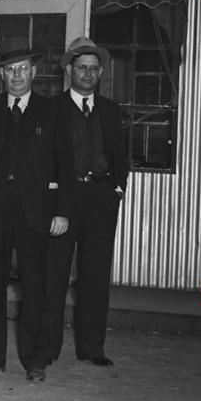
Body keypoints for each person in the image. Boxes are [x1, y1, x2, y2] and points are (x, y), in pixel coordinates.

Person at [0, 46, 73, 382]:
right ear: (1, 74)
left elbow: (66, 164)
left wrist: (62, 212)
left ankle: (35, 361)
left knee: (35, 287)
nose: (16, 76)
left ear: (34, 72)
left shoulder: (53, 111)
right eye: (9, 70)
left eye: (22, 69)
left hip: (37, 213)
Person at [55, 36, 129, 367]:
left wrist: (117, 187)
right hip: (64, 200)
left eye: (93, 69)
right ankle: (48, 348)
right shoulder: (53, 109)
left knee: (95, 275)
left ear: (100, 74)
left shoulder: (111, 111)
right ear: (69, 70)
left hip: (100, 197)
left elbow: (120, 155)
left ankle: (92, 347)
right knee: (54, 274)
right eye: (81, 68)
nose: (87, 74)